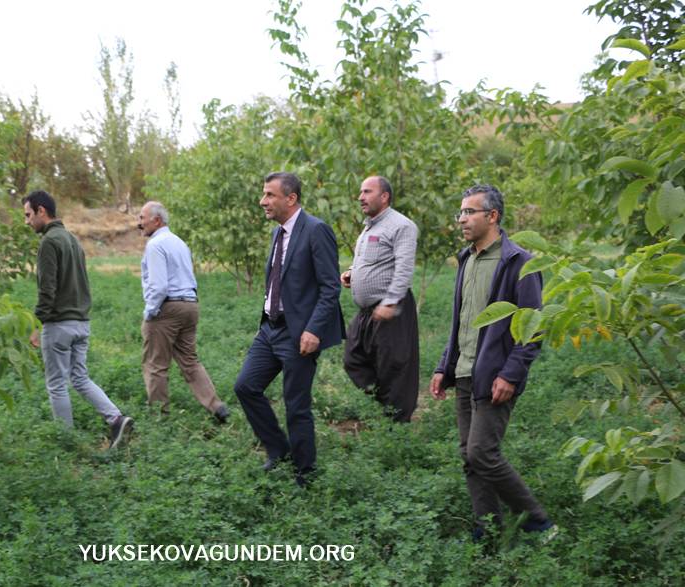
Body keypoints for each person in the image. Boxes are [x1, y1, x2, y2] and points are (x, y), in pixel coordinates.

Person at [429, 184, 555, 541]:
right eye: (461, 212)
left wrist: (511, 373)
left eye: (469, 212)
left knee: (482, 452)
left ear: (493, 216)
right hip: (465, 370)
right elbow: (461, 322)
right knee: (470, 457)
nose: (461, 219)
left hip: (495, 375)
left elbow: (533, 326)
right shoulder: (466, 259)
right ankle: (488, 529)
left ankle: (537, 520)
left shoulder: (518, 262)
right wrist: (444, 366)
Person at [234, 172, 345, 486]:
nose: (262, 201)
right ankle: (278, 450)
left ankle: (304, 473)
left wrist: (313, 330)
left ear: (291, 198)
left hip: (299, 334)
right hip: (270, 329)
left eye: (269, 195)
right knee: (245, 386)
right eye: (263, 194)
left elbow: (329, 288)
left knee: (296, 404)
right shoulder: (277, 234)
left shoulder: (316, 230)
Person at [23, 190, 133, 448]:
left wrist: (35, 325)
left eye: (28, 215)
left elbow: (46, 290)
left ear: (42, 211)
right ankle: (116, 419)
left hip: (58, 325)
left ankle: (67, 442)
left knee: (57, 385)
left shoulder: (49, 242)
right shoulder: (73, 240)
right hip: (82, 323)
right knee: (80, 378)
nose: (27, 221)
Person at [137, 201, 230, 422]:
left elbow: (159, 286)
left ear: (157, 220)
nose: (139, 223)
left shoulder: (155, 245)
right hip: (190, 305)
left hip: (167, 308)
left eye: (142, 218)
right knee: (190, 361)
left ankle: (159, 419)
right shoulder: (179, 242)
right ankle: (216, 407)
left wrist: (150, 312)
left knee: (156, 364)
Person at [340, 176, 419, 422]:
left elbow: (404, 268)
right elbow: (369, 262)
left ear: (384, 196)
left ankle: (396, 425)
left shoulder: (401, 225)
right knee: (353, 358)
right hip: (368, 312)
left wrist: (391, 302)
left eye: (367, 191)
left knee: (394, 367)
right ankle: (383, 404)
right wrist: (352, 273)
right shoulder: (369, 227)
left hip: (390, 308)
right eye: (360, 192)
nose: (360, 197)